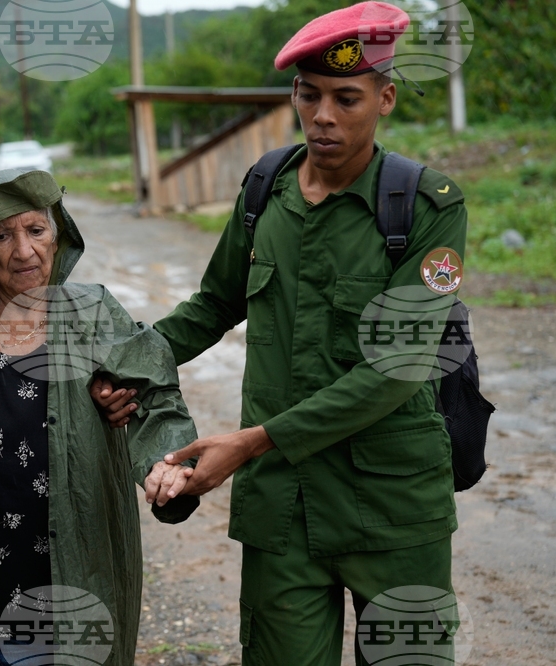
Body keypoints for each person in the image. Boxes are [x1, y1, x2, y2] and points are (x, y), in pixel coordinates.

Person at [93, 3, 468, 665]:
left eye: (346, 98)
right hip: (281, 508)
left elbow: (399, 365)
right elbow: (212, 305)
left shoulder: (426, 206)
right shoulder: (265, 190)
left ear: (384, 98)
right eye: (308, 94)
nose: (324, 115)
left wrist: (252, 443)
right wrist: (121, 369)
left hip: (393, 505)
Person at [0, 169, 200, 665]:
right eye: (2, 235)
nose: (23, 251)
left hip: (79, 574)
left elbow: (155, 396)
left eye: (36, 230)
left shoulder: (94, 313)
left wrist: (164, 465)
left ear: (58, 237)